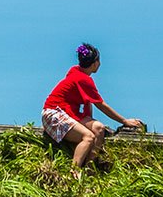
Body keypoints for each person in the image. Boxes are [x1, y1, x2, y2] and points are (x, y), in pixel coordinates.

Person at [42, 42, 144, 177]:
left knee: (98, 128)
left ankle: (90, 168)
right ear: (94, 63)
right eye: (98, 60)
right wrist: (125, 121)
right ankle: (74, 172)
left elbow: (88, 104)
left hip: (67, 113)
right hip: (53, 114)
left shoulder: (76, 72)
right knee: (88, 137)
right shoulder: (83, 79)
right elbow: (101, 104)